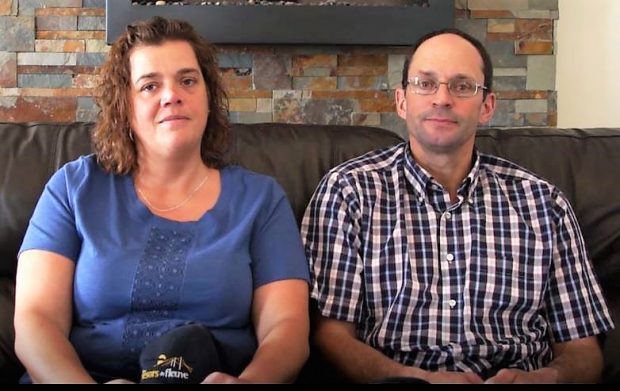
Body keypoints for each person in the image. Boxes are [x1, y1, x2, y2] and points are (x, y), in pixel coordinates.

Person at [301, 28, 614, 384]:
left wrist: (547, 379)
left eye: (463, 86)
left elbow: (583, 350)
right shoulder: (349, 192)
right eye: (426, 83)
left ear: (487, 107)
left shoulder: (543, 202)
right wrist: (410, 378)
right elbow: (329, 335)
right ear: (402, 101)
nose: (442, 99)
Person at [14, 16, 309, 384]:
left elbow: (288, 328)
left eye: (187, 80)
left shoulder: (261, 200)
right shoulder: (73, 188)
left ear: (207, 95)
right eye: (150, 86)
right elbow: (34, 321)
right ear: (125, 106)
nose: (172, 95)